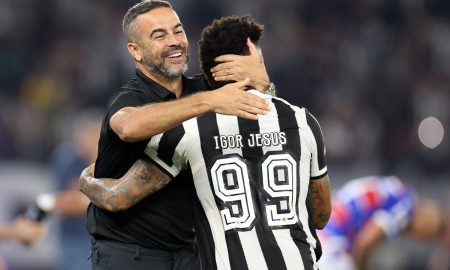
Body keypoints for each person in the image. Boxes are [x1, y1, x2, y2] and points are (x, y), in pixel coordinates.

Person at [80, 14, 332, 270]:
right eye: (160, 35)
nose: (174, 41)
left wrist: (86, 180)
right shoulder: (302, 122)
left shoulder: (191, 131)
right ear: (254, 56)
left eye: (178, 31)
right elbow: (321, 215)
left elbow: (117, 198)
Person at [316, 175, 449, 270]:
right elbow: (365, 241)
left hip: (321, 227)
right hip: (331, 237)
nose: (420, 239)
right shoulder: (404, 208)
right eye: (432, 235)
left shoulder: (398, 189)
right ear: (426, 217)